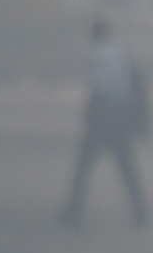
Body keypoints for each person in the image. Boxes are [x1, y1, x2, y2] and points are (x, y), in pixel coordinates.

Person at [60, 19, 147, 228]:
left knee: (84, 168)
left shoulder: (98, 56)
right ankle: (141, 213)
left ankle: (73, 212)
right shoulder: (121, 53)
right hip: (120, 116)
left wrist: (91, 112)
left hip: (103, 118)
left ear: (93, 35)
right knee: (127, 169)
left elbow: (101, 86)